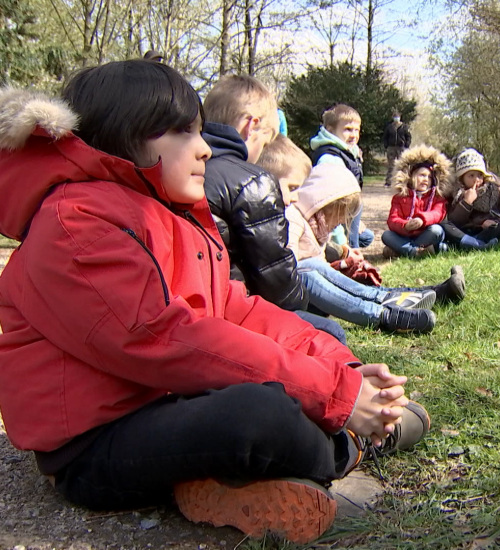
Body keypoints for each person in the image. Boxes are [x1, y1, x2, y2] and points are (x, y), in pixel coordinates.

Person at [0, 60, 428, 544]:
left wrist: (342, 370)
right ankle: (354, 444)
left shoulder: (166, 215)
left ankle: (228, 481)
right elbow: (165, 338)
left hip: (162, 403)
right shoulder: (73, 225)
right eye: (183, 132)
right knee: (256, 415)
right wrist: (339, 399)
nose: (204, 148)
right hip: (92, 447)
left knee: (296, 373)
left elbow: (238, 310)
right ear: (127, 138)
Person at [200, 75, 346, 344]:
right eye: (264, 144)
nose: (260, 154)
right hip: (233, 311)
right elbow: (276, 279)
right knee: (329, 333)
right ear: (250, 126)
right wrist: (307, 303)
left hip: (200, 303)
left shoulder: (190, 167)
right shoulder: (252, 180)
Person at [260, 136, 467, 311]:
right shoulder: (293, 218)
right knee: (353, 282)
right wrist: (404, 226)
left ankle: (429, 292)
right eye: (293, 187)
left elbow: (312, 251)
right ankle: (394, 309)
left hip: (423, 233)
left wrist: (344, 252)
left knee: (358, 287)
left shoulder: (305, 221)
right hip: (300, 293)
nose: (296, 195)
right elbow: (292, 264)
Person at [309, 103, 374, 249]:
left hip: (346, 214)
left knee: (367, 237)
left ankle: (348, 240)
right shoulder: (330, 157)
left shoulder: (350, 152)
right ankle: (351, 254)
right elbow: (331, 203)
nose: (354, 135)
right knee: (357, 205)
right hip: (331, 216)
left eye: (357, 130)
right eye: (348, 130)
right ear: (330, 130)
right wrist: (341, 240)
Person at [441, 148, 500, 250]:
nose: (476, 180)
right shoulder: (455, 193)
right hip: (465, 232)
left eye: (479, 175)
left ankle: (471, 245)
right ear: (462, 178)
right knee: (444, 225)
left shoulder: (495, 190)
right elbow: (455, 221)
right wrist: (466, 202)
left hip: (489, 231)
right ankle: (476, 244)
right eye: (471, 176)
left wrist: (493, 222)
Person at [382, 145, 450, 258]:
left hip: (426, 235)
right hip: (405, 235)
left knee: (437, 230)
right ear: (411, 176)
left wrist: (422, 219)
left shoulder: (437, 197)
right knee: (386, 235)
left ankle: (403, 250)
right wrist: (405, 225)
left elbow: (438, 213)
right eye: (422, 175)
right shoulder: (400, 197)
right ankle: (416, 252)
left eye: (429, 177)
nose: (425, 180)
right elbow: (392, 220)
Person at [382, 110, 412, 187]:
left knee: (402, 165)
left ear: (400, 117)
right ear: (392, 118)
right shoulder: (389, 127)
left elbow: (408, 137)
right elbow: (385, 137)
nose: (396, 118)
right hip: (391, 148)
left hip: (401, 148)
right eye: (395, 117)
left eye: (397, 117)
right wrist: (386, 146)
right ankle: (388, 182)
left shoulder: (404, 127)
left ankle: (402, 181)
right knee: (391, 165)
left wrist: (406, 145)